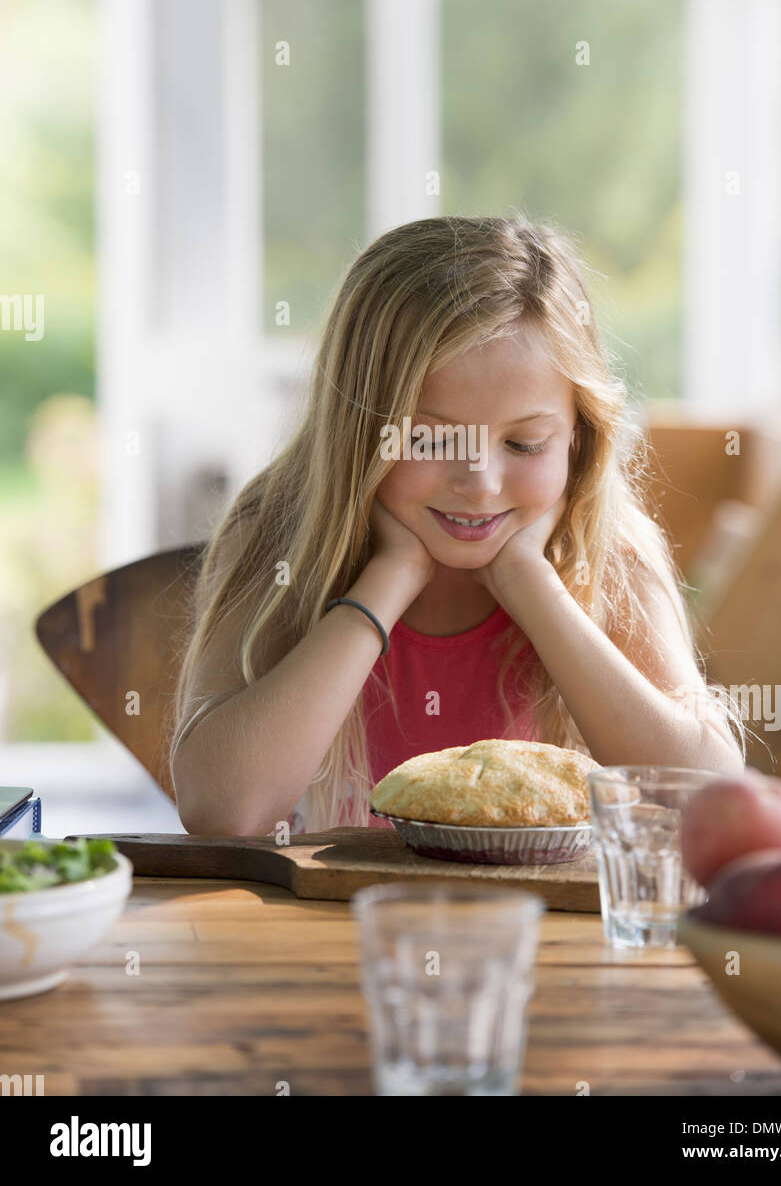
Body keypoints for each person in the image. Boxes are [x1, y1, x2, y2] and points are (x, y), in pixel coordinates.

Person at [170, 213, 746, 837]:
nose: (479, 483)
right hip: (337, 927)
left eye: (524, 445)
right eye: (429, 438)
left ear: (578, 441)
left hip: (549, 933)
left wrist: (531, 585)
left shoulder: (611, 551)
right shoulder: (276, 532)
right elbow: (223, 811)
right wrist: (387, 581)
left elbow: (711, 799)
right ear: (355, 432)